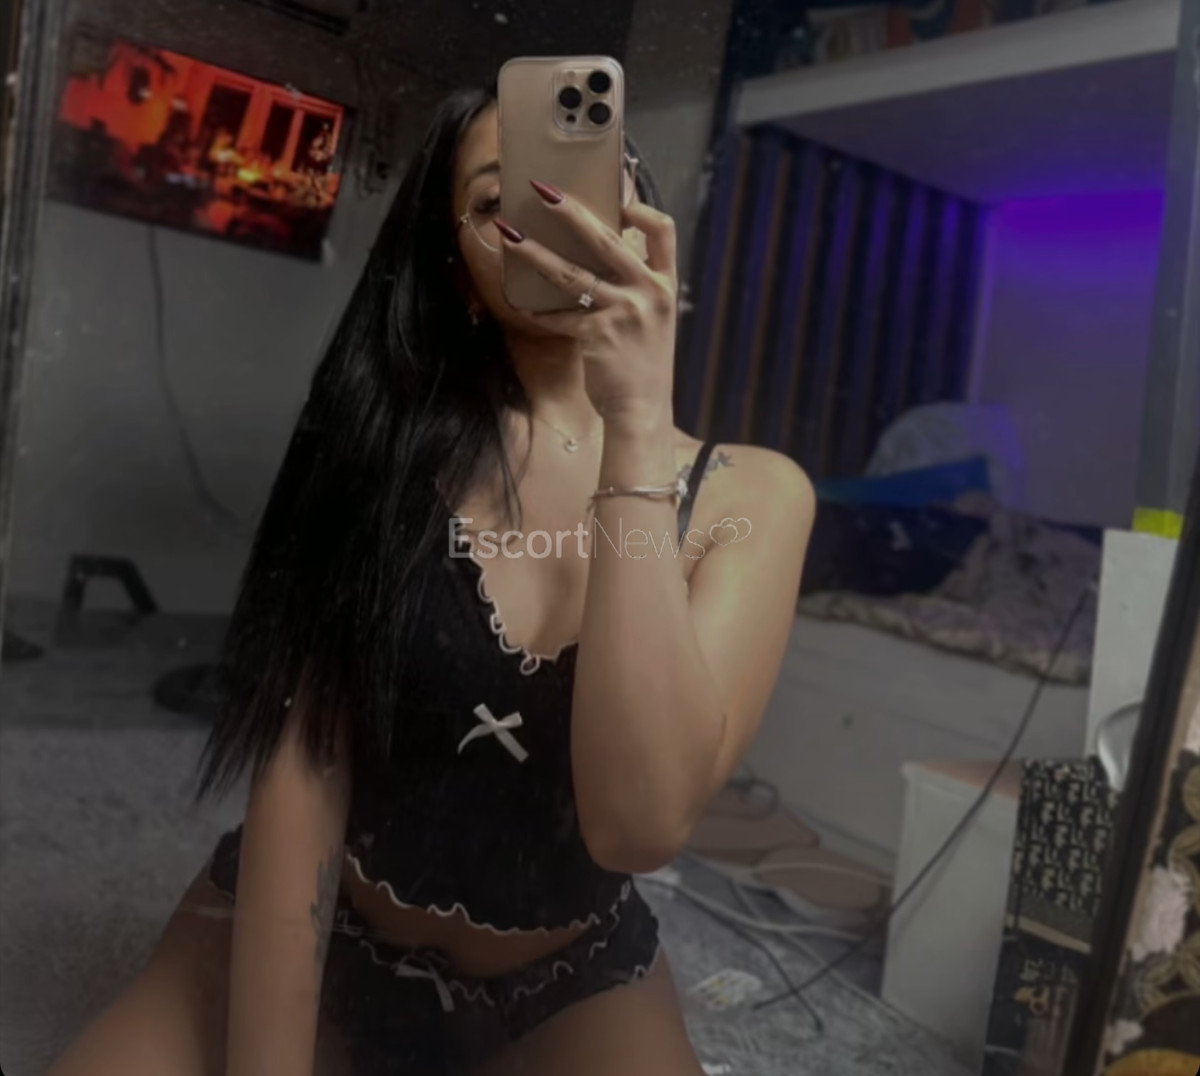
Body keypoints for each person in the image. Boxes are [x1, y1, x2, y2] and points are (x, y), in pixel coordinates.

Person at [47, 78, 814, 1076]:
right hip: (335, 927)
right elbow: (304, 773)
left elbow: (637, 825)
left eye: (580, 185)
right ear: (459, 272)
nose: (553, 226)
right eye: (501, 201)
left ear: (642, 222)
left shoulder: (754, 496)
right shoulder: (389, 449)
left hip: (563, 982)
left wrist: (634, 424)